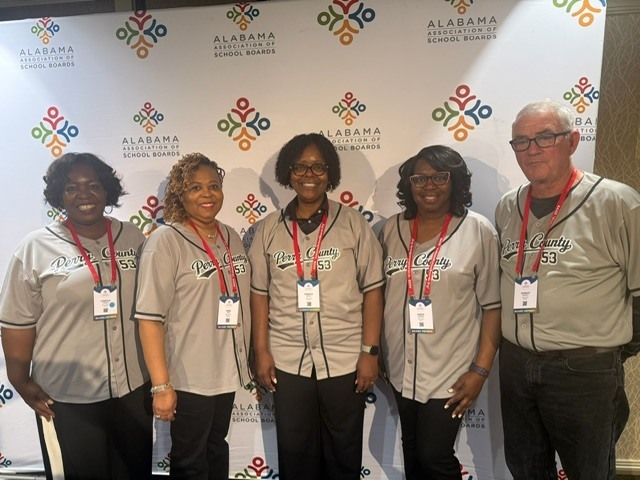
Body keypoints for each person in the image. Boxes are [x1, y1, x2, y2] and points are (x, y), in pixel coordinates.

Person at [496, 99, 640, 479]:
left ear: (573, 141)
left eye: (545, 138)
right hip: (515, 362)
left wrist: (608, 348)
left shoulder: (617, 202)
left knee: (588, 472)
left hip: (582, 370)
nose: (532, 150)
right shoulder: (508, 207)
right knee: (525, 468)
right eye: (521, 142)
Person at [0, 152, 152, 480]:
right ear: (59, 196)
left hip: (133, 388)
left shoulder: (133, 236)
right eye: (71, 188)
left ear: (107, 190)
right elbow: (16, 322)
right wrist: (20, 380)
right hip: (67, 396)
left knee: (134, 471)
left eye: (93, 185)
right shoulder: (35, 247)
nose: (84, 194)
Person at [248, 133, 384, 480]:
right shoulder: (267, 230)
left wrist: (370, 351)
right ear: (288, 173)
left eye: (318, 166)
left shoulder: (353, 224)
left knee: (344, 454)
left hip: (344, 358)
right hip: (287, 360)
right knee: (296, 456)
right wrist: (261, 350)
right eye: (300, 166)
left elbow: (372, 290)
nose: (309, 174)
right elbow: (260, 294)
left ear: (330, 172)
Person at [378, 145, 501, 479]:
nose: (428, 185)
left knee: (435, 457)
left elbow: (493, 307)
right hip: (401, 369)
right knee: (413, 453)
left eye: (439, 177)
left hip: (451, 372)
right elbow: (377, 298)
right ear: (409, 184)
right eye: (419, 178)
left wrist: (480, 370)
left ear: (455, 180)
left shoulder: (478, 230)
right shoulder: (391, 229)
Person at [134, 153, 251, 480]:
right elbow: (149, 318)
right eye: (195, 187)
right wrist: (161, 386)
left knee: (217, 446)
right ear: (179, 194)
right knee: (190, 460)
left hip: (227, 370)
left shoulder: (231, 236)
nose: (207, 194)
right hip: (188, 375)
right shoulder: (165, 241)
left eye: (214, 185)